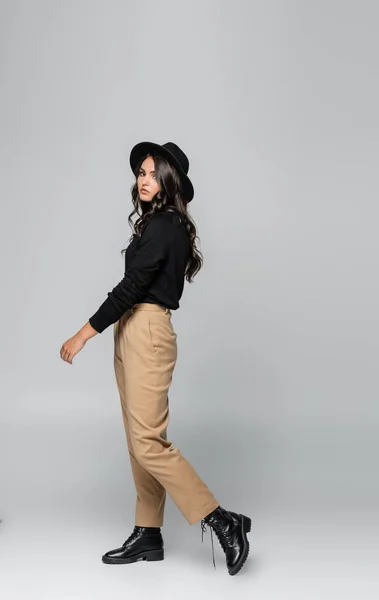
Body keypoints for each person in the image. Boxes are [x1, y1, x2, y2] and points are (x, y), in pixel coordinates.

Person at [59, 141, 251, 575]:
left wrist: (82, 334)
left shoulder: (164, 226)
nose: (142, 180)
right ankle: (148, 533)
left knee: (149, 442)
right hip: (133, 328)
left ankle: (223, 521)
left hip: (146, 329)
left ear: (170, 181)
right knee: (137, 440)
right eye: (140, 173)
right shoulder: (159, 224)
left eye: (151, 173)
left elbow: (130, 289)